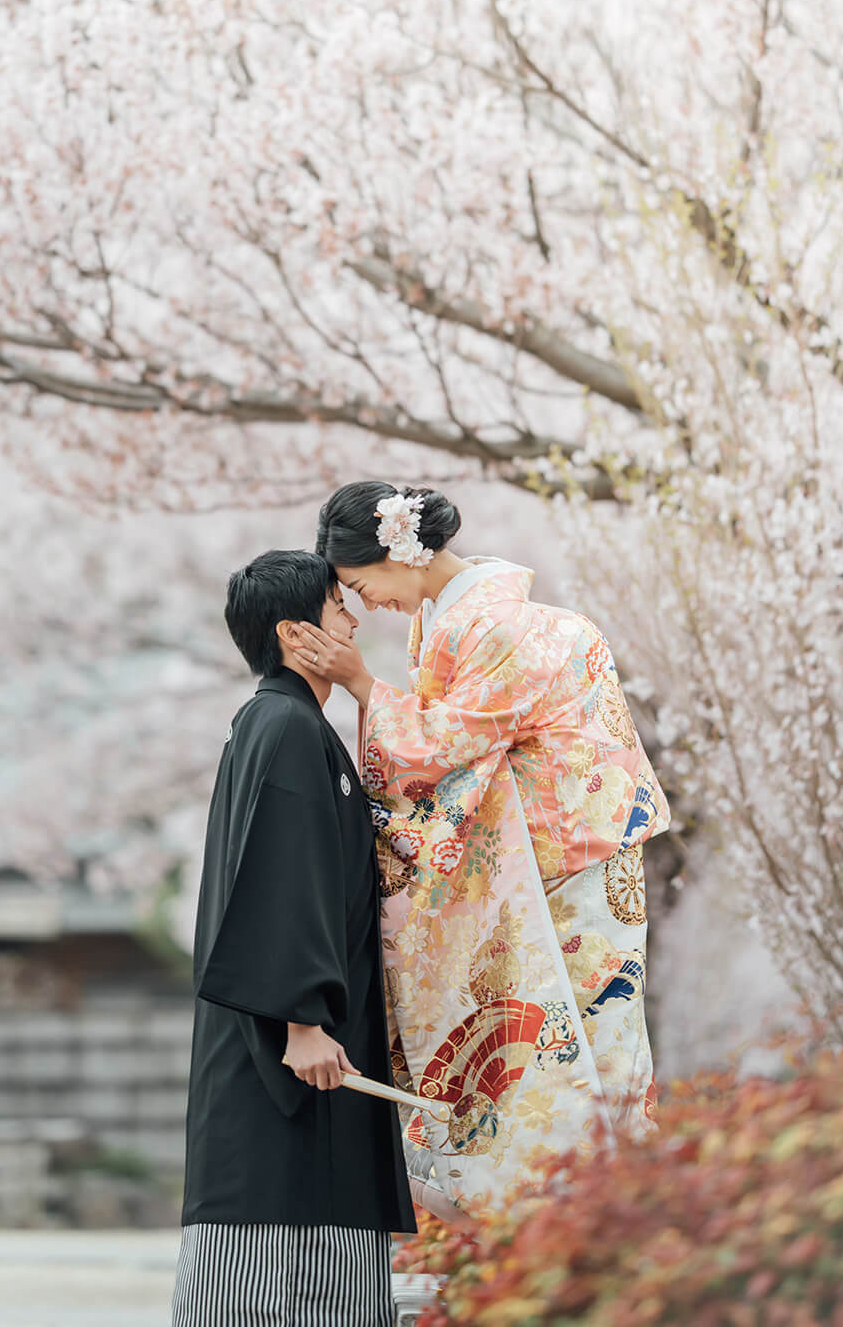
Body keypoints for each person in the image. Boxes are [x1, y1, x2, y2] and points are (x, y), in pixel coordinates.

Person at [301, 482, 670, 1221]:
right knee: (575, 1044)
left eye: (358, 583)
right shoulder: (456, 621)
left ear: (400, 553)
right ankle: (590, 1211)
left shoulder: (497, 627)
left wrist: (360, 685)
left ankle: (615, 1214)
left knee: (598, 1036)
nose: (365, 603)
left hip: (574, 857)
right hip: (556, 851)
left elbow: (442, 747)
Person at [172, 550, 414, 1327]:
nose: (353, 620)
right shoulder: (284, 726)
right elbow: (282, 873)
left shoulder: (284, 723)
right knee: (278, 1274)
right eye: (340, 607)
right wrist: (303, 1020)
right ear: (294, 632)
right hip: (293, 1050)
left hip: (303, 1041)